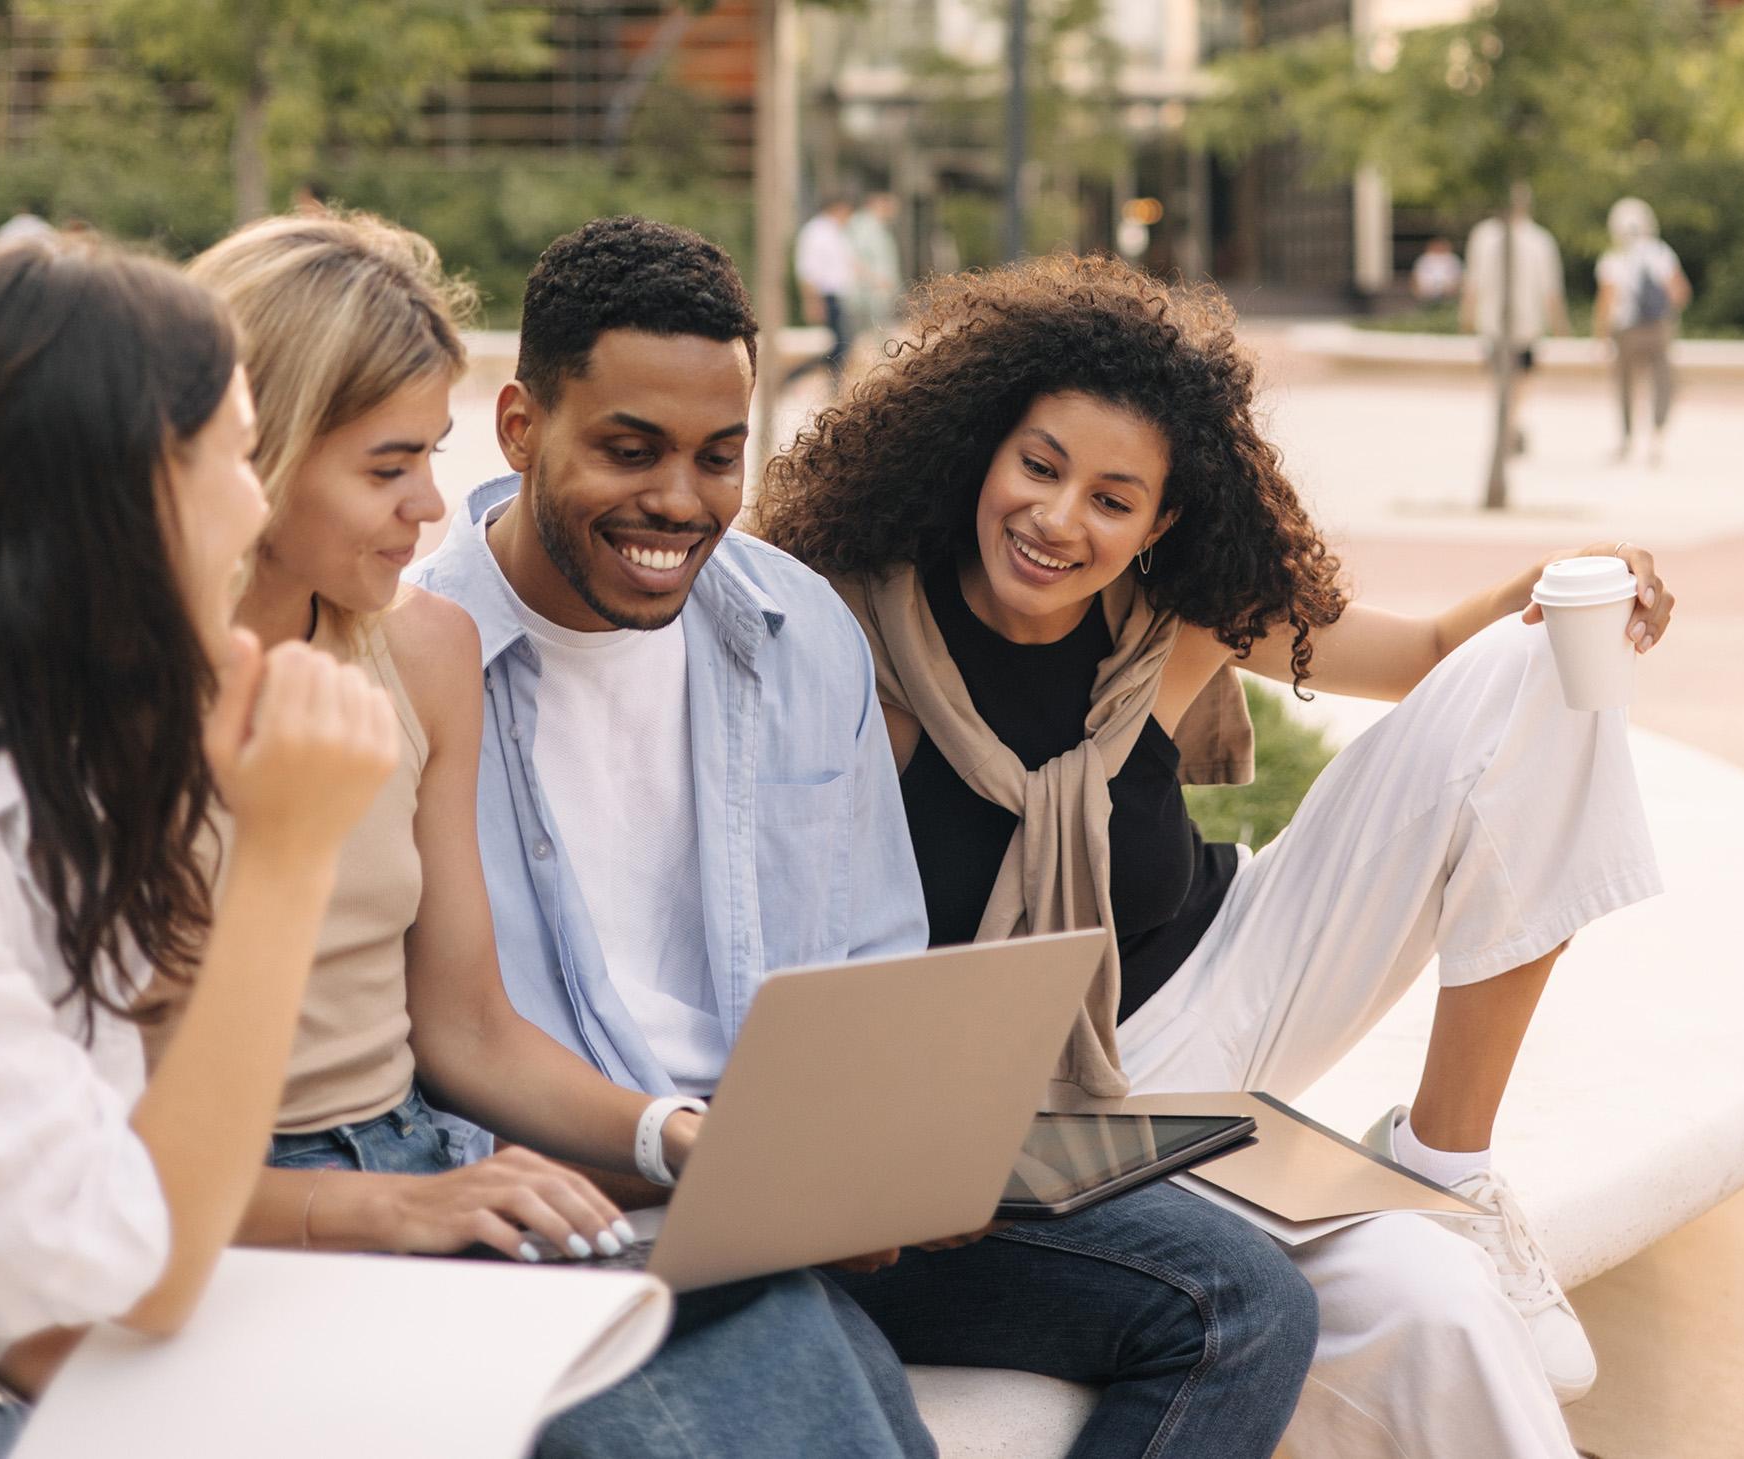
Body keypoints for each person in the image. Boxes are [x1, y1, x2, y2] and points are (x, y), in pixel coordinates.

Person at [412, 214, 1321, 1459]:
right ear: (520, 426)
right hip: (579, 1202)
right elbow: (435, 1057)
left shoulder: (795, 630)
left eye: (718, 456)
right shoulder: (415, 660)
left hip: (807, 1191)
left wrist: (899, 1155)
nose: (677, 500)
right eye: (629, 450)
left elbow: (876, 959)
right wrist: (700, 1157)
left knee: (1243, 1304)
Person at [756, 252, 1679, 1459]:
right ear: (982, 447)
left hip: (1225, 987)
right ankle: (1437, 1242)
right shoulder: (852, 633)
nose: (1058, 520)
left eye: (1112, 498)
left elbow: (1429, 657)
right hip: (1015, 1105)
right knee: (1427, 1298)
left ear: (1161, 521)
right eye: (1039, 466)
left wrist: (1574, 577)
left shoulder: (1176, 619)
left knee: (1539, 663)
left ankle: (1448, 1160)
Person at [181, 210, 935, 1459]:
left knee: (798, 1339)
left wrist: (680, 1141)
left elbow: (469, 1027)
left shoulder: (422, 652)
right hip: (273, 1195)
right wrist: (401, 1207)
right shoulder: (96, 706)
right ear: (257, 452)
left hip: (422, 1159)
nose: (431, 505)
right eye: (388, 467)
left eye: (430, 455)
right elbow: (112, 1158)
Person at [0, 239, 399, 1457]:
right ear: (132, 487)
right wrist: (287, 853)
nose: (256, 504)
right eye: (236, 451)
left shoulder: (62, 766)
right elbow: (131, 1281)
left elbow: (51, 1316)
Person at [1461, 184, 1568, 455]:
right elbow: (1551, 291)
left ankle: (1507, 424)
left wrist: (1467, 317)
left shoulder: (1484, 236)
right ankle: (1511, 423)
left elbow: (1472, 285)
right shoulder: (1538, 240)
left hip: (1497, 324)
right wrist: (1559, 326)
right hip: (1523, 325)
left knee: (1502, 379)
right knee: (1520, 379)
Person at [1595, 197, 1691, 464]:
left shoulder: (1613, 258)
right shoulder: (1661, 253)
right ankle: (1657, 438)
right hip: (1658, 330)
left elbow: (1606, 302)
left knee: (1626, 386)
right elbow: (1680, 292)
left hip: (1626, 331)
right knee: (1661, 383)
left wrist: (1601, 337)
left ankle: (1627, 440)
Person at [786, 196, 858, 387]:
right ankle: (794, 377)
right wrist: (812, 301)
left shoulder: (834, 232)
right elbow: (808, 271)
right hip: (825, 296)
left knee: (840, 346)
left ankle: (833, 384)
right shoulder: (816, 232)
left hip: (837, 296)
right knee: (835, 347)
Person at [847, 192, 904, 341]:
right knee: (869, 337)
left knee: (881, 335)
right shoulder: (864, 226)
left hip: (880, 292)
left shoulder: (879, 227)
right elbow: (854, 259)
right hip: (870, 293)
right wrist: (876, 279)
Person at [1410, 236, 1463, 304]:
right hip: (1427, 290)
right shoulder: (1424, 259)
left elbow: (1458, 276)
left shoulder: (1453, 259)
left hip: (1448, 290)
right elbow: (1415, 276)